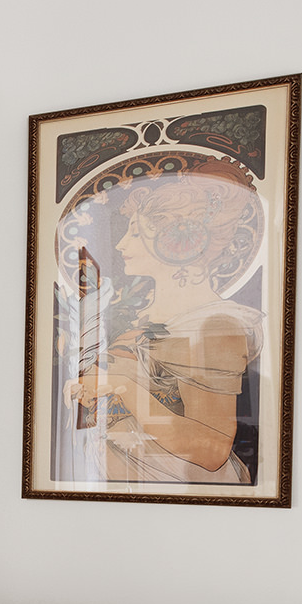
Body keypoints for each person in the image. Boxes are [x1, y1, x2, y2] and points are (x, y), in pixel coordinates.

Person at [61, 169, 261, 483]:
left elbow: (211, 450)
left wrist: (122, 386)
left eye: (135, 233)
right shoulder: (141, 318)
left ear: (176, 244)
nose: (121, 245)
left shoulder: (215, 326)